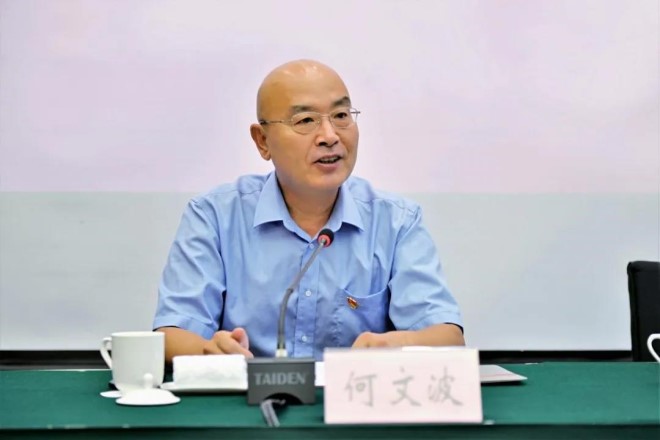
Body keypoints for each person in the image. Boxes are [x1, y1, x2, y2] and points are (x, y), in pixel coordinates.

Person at [153, 60, 464, 362]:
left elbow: (448, 336)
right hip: (249, 394)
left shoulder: (396, 222)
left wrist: (395, 344)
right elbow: (172, 332)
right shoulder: (215, 217)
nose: (330, 136)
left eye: (341, 115)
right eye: (305, 121)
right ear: (262, 141)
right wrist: (210, 351)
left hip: (354, 394)